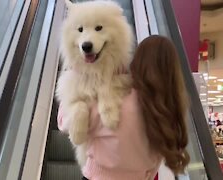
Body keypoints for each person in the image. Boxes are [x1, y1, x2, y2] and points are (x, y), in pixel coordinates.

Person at [58, 35, 190, 180]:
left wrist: (73, 82)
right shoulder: (167, 114)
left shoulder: (113, 100)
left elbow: (64, 124)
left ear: (137, 62)